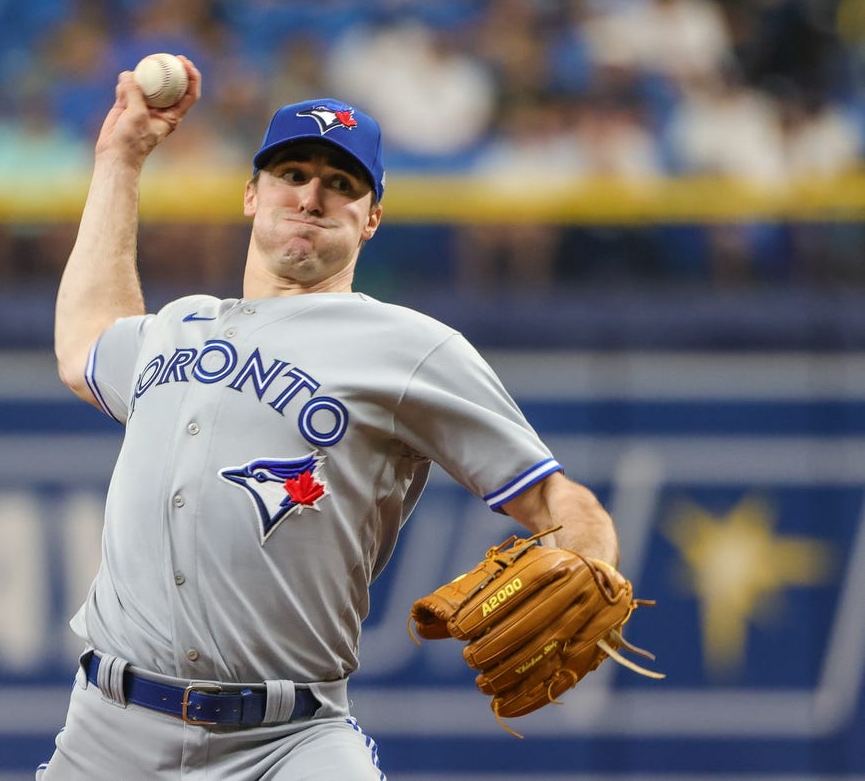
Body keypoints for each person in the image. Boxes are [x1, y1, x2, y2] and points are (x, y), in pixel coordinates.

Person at [40, 55, 620, 780]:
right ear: (252, 194)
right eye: (292, 174)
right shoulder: (179, 327)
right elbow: (84, 343)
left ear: (371, 218)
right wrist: (121, 156)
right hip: (108, 732)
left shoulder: (409, 347)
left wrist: (591, 552)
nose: (311, 196)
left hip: (288, 743)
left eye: (340, 184)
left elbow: (554, 497)